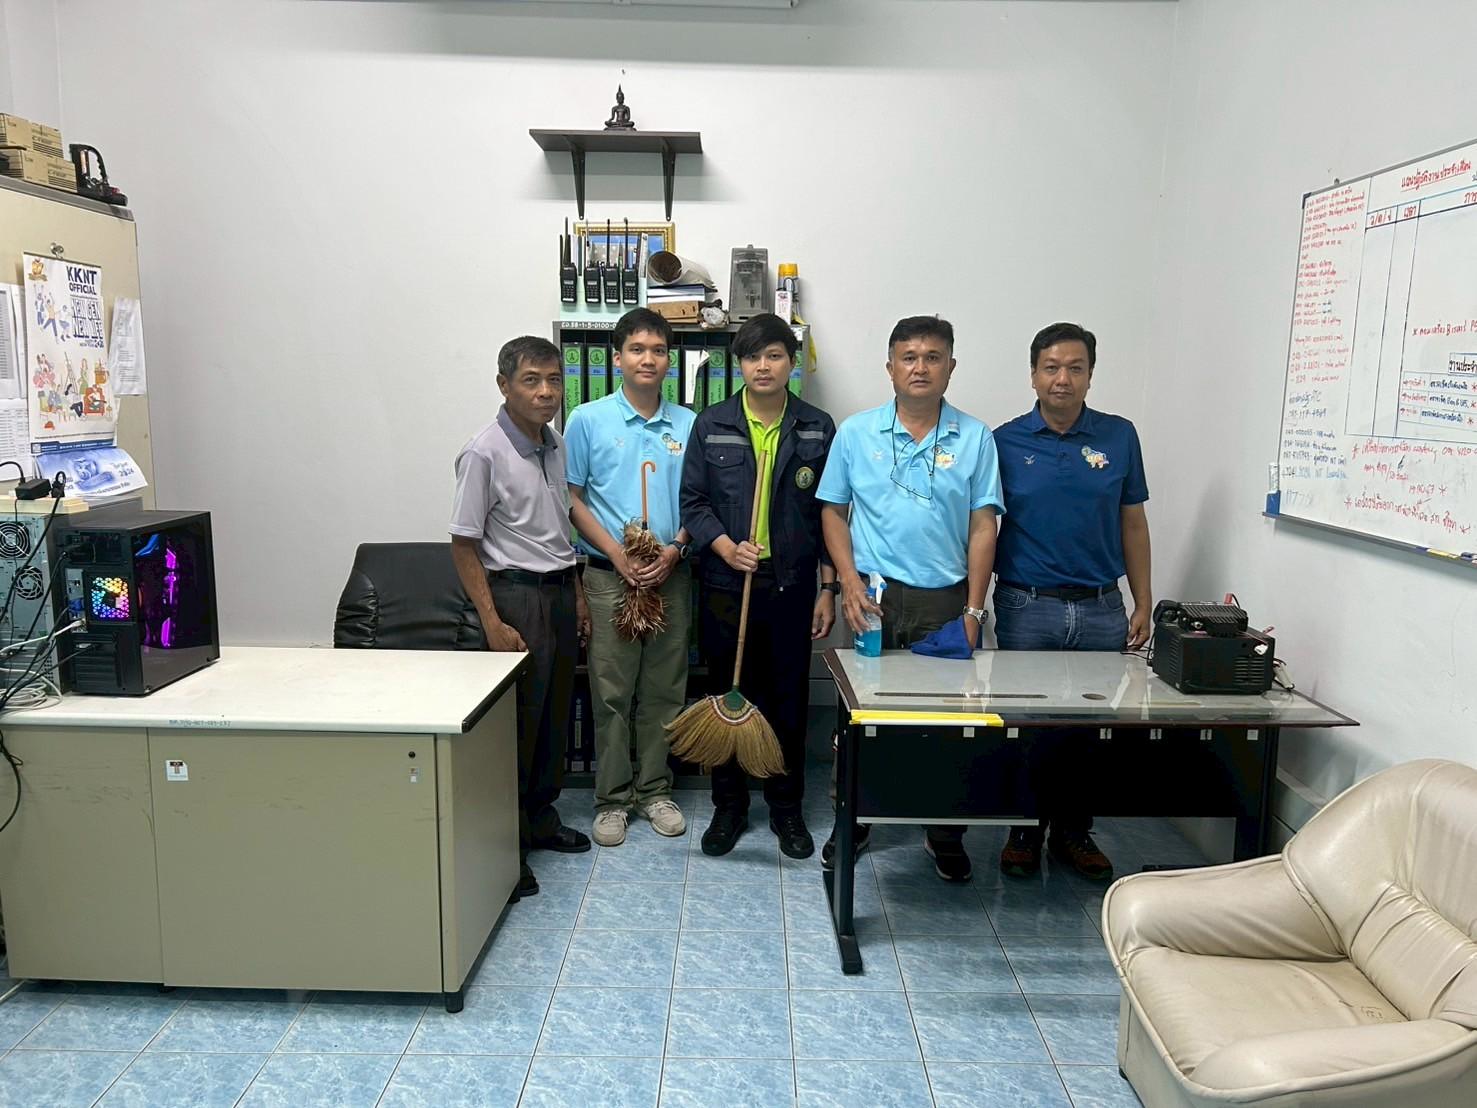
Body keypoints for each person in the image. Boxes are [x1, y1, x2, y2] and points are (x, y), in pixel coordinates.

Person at [816, 315, 1004, 882]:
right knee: (861, 718)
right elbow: (833, 512)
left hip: (945, 602)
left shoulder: (975, 438)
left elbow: (983, 526)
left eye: (932, 357)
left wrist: (973, 610)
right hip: (871, 600)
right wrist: (848, 581)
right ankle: (852, 821)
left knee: (949, 723)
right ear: (890, 367)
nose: (920, 367)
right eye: (909, 357)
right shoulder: (856, 433)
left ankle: (944, 831)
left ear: (951, 366)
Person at [992, 321, 1151, 882]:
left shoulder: (1119, 436)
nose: (1063, 379)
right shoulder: (1004, 441)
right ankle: (1023, 831)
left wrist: (1143, 601)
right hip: (1026, 606)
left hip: (1101, 608)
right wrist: (972, 607)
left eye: (1075, 368)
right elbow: (983, 528)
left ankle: (1074, 833)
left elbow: (1133, 522)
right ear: (1033, 375)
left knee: (1088, 730)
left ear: (1090, 375)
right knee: (1027, 724)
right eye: (1052, 368)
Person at [681, 313, 838, 859]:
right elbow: (693, 503)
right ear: (739, 365)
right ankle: (729, 806)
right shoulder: (712, 424)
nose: (763, 366)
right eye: (752, 356)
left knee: (788, 698)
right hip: (727, 583)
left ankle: (786, 807)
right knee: (728, 694)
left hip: (791, 586)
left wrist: (828, 588)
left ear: (791, 363)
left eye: (774, 355)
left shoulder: (817, 427)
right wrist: (726, 546)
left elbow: (830, 514)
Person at [449, 335, 593, 901]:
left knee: (554, 715)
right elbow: (464, 545)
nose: (546, 392)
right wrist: (491, 621)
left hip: (557, 592)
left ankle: (540, 819)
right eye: (531, 380)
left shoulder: (554, 444)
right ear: (504, 385)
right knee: (517, 726)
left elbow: (558, 531)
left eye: (554, 380)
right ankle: (504, 850)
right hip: (514, 597)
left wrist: (577, 595)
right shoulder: (483, 453)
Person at [565, 308, 696, 847]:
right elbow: (571, 499)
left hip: (671, 575)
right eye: (637, 349)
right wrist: (618, 555)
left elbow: (700, 501)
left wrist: (676, 549)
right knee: (612, 693)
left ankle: (655, 790)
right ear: (616, 358)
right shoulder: (587, 420)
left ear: (669, 361)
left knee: (665, 690)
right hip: (608, 578)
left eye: (658, 350)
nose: (648, 359)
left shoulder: (689, 424)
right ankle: (613, 798)